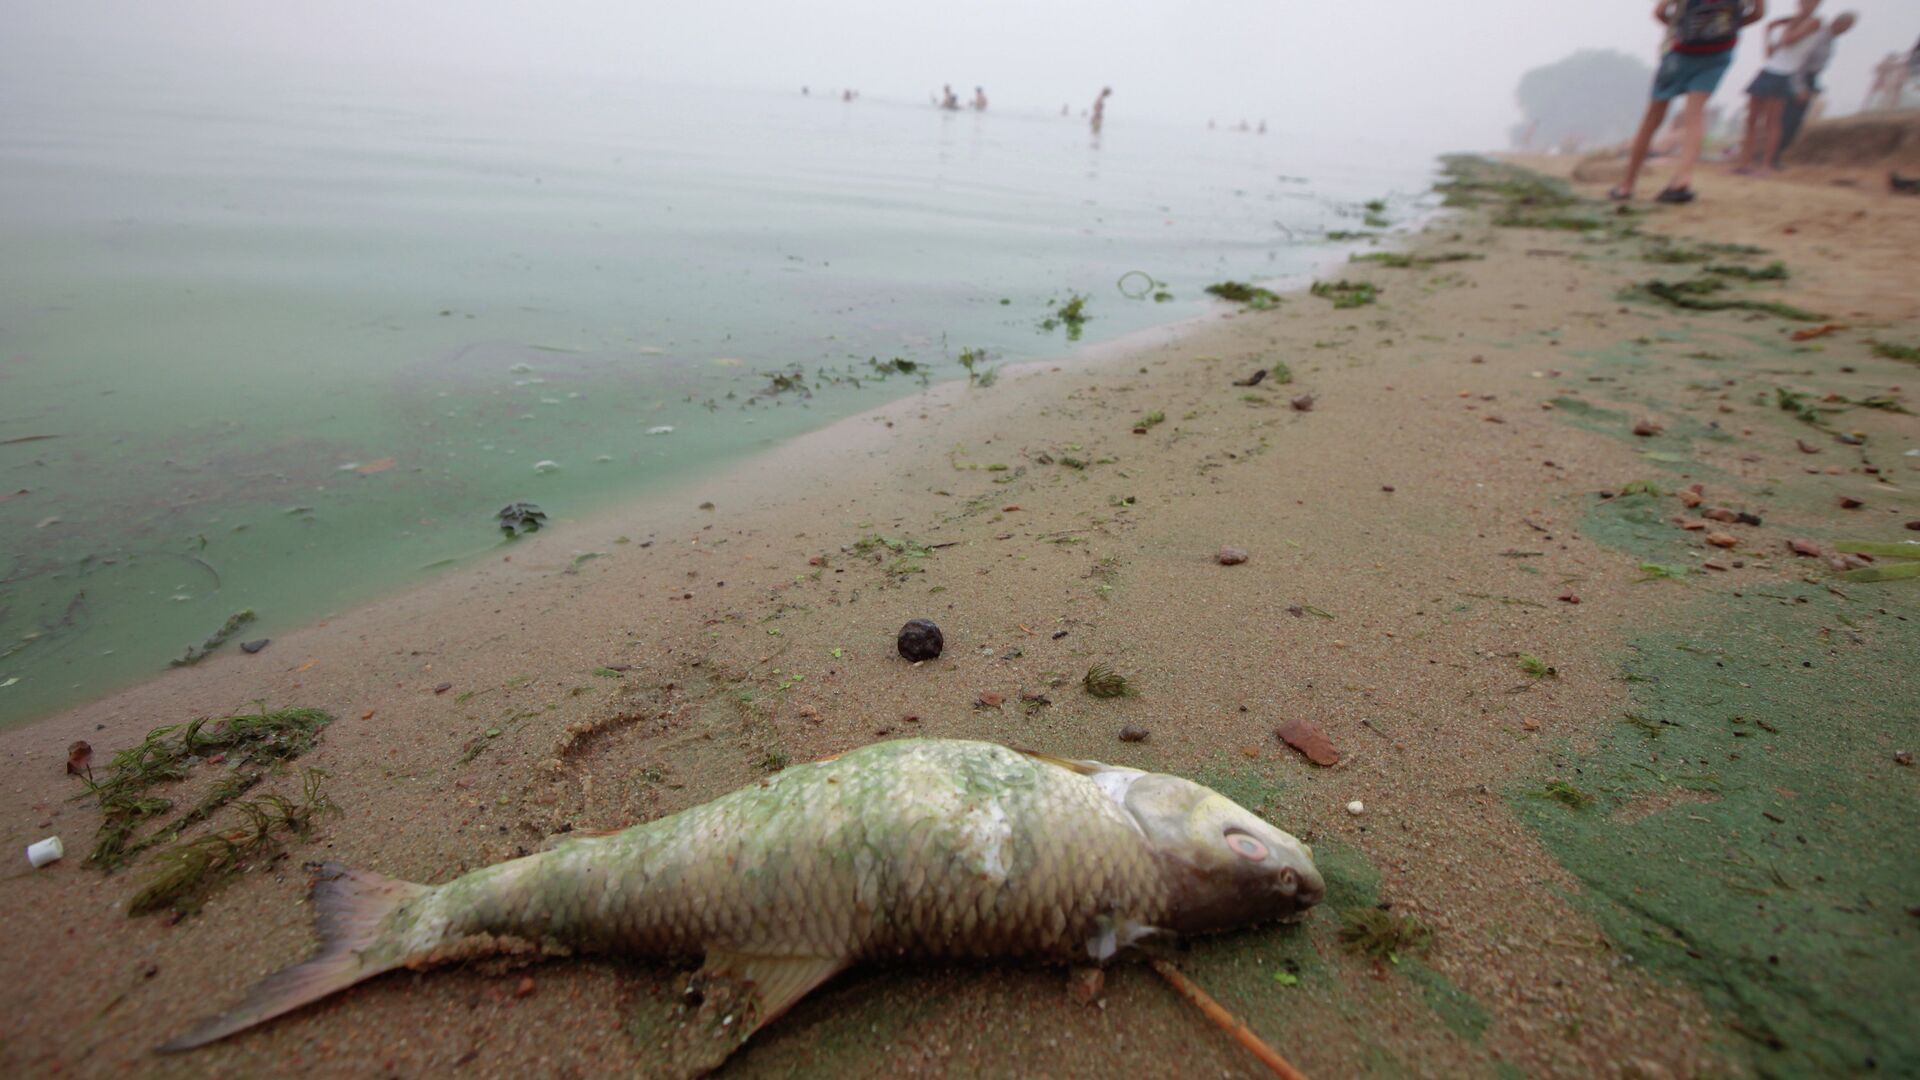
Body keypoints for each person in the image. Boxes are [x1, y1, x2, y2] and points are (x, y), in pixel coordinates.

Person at [1612, 0, 1767, 204]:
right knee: (1695, 113)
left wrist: (1680, 27)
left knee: (1653, 116)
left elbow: (1660, 12)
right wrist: (1724, 28)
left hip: (1681, 51)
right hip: (1718, 52)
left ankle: (1627, 185)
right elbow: (1758, 12)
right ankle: (1682, 179)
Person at [1734, 0, 1821, 175]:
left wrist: (1791, 24)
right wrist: (1768, 31)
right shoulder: (1788, 22)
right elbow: (1770, 53)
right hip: (1769, 70)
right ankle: (1744, 163)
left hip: (1785, 73)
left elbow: (1789, 40)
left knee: (1771, 122)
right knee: (1751, 119)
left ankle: (1767, 165)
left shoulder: (1813, 23)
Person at [1772, 10, 1855, 166]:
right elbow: (1800, 62)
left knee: (1794, 122)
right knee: (1787, 120)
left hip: (1809, 80)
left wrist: (1815, 85)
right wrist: (1799, 88)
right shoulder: (1818, 35)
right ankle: (1770, 155)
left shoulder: (1830, 39)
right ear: (1838, 23)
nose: (1847, 30)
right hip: (1798, 79)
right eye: (1847, 26)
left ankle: (1775, 155)